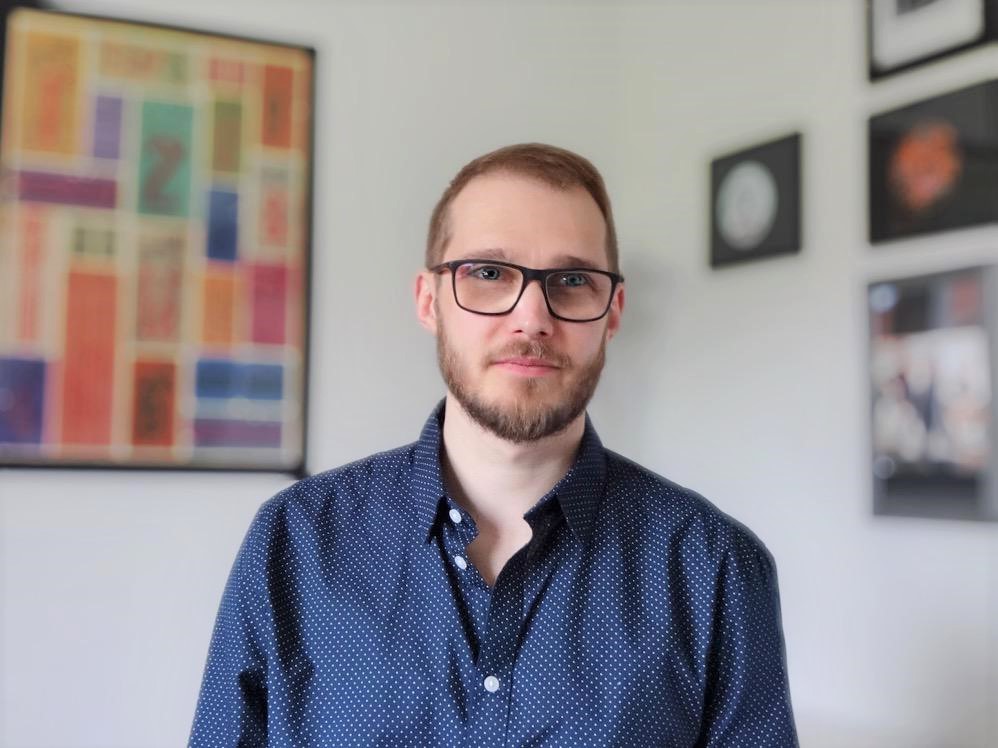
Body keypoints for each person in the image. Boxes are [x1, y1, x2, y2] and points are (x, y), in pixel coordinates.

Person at [189, 143, 798, 747]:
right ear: (429, 301)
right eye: (488, 273)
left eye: (572, 280)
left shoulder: (714, 570)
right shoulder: (293, 544)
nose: (532, 317)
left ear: (612, 312)